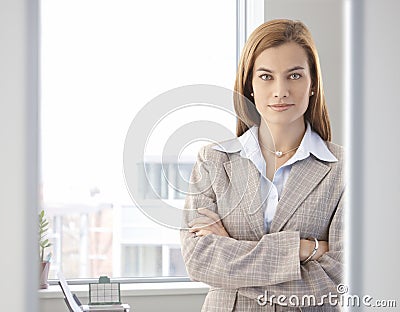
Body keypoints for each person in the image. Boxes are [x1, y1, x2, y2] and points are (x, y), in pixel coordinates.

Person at [180, 19, 344, 311]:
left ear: (313, 84)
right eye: (266, 76)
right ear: (250, 86)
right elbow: (199, 260)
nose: (280, 90)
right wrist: (301, 249)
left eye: (294, 76)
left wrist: (231, 261)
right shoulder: (213, 161)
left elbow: (335, 280)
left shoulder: (345, 171)